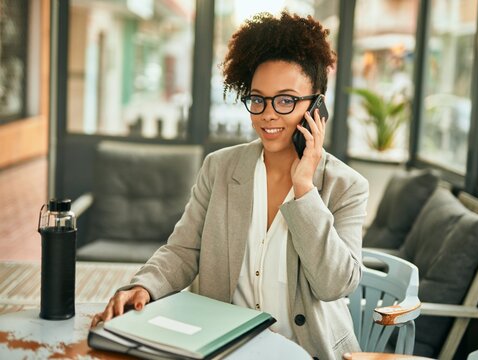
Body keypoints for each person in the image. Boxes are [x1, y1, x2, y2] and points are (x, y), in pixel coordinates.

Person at [91, 12, 368, 359]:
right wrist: (144, 285)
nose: (268, 114)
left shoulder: (346, 186)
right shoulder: (220, 168)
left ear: (316, 106)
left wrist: (305, 188)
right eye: (257, 99)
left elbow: (334, 285)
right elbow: (183, 250)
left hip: (304, 351)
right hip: (221, 346)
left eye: (285, 100)